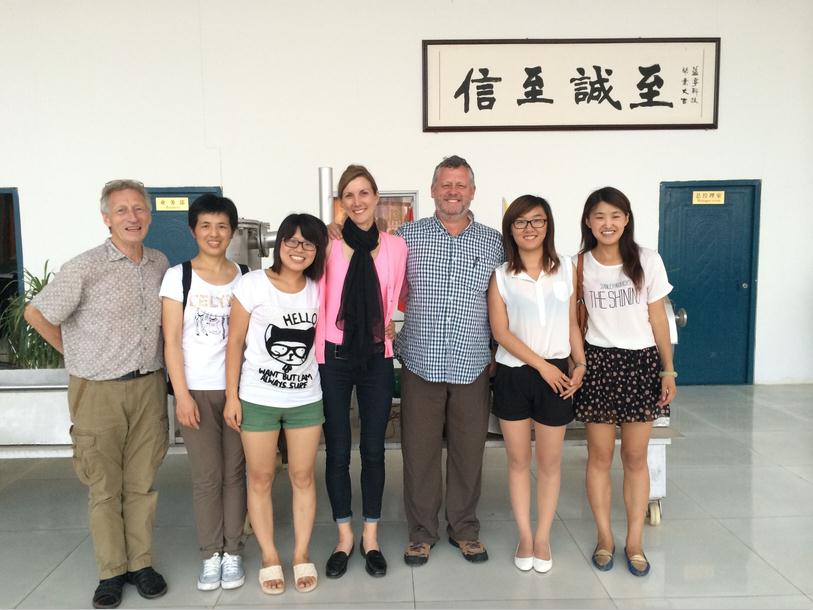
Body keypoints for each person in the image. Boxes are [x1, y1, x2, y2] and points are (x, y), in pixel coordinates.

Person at [24, 179, 169, 609]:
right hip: (97, 391)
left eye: (139, 209)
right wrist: (75, 354)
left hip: (147, 386)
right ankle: (111, 571)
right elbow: (36, 313)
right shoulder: (85, 267)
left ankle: (141, 564)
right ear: (106, 219)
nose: (132, 217)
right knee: (104, 486)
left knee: (141, 483)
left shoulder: (159, 263)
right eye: (121, 210)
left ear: (149, 215)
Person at [395, 155, 503, 566]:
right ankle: (422, 532)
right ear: (433, 190)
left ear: (472, 192)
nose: (452, 192)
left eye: (460, 185)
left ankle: (464, 529)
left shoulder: (494, 242)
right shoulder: (407, 237)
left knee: (468, 452)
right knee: (418, 452)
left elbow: (505, 300)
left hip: (472, 363)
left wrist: (497, 350)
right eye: (445, 184)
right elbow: (380, 277)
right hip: (420, 361)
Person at [573, 186, 676, 577]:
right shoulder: (578, 265)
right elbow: (574, 320)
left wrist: (668, 369)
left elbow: (658, 318)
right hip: (598, 363)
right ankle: (604, 537)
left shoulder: (647, 260)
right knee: (599, 457)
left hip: (641, 363)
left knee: (635, 457)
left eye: (615, 215)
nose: (608, 223)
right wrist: (579, 363)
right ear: (588, 221)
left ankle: (634, 541)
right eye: (599, 216)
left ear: (627, 219)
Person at [223, 213, 327, 595]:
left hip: (305, 398)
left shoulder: (318, 288)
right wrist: (231, 397)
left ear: (317, 251)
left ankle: (300, 554)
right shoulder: (252, 284)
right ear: (278, 243)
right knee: (260, 477)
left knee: (303, 476)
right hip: (258, 398)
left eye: (308, 243)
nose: (299, 249)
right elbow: (234, 343)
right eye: (292, 241)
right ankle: (269, 556)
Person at [315, 165, 407, 579]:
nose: (357, 201)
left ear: (376, 197)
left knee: (373, 450)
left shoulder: (396, 246)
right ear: (341, 201)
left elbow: (398, 294)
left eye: (364, 193)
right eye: (349, 195)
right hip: (333, 356)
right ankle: (344, 537)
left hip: (376, 355)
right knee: (337, 450)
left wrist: (390, 321)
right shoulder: (327, 243)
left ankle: (370, 537)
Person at [487, 195, 586, 574]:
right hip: (515, 374)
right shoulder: (501, 276)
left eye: (537, 220)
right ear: (510, 230)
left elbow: (572, 323)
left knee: (549, 461)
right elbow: (501, 333)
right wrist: (542, 366)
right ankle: (525, 535)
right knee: (517, 461)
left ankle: (543, 536)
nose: (529, 228)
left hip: (558, 374)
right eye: (521, 222)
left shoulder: (566, 269)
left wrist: (580, 363)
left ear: (548, 225)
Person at [160, 194, 247, 591]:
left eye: (222, 226)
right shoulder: (178, 277)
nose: (214, 234)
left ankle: (233, 551)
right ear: (193, 230)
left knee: (235, 472)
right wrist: (181, 395)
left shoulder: (245, 276)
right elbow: (171, 340)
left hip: (239, 391)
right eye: (206, 226)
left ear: (233, 232)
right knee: (207, 475)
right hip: (196, 390)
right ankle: (211, 554)